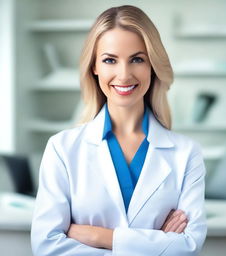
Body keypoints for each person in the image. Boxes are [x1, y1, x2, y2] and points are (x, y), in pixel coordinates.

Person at [31, 5, 207, 256]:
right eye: (110, 60)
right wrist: (156, 243)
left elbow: (188, 247)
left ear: (152, 66)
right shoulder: (62, 148)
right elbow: (46, 246)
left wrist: (99, 236)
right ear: (94, 67)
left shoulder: (187, 153)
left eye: (137, 59)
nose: (124, 75)